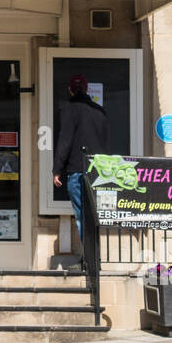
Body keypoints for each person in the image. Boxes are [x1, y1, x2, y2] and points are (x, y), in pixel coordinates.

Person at [52, 74, 109, 261]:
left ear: (70, 90)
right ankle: (93, 257)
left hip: (77, 170)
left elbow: (65, 141)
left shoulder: (70, 109)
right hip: (98, 171)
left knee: (83, 217)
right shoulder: (100, 111)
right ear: (86, 90)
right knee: (94, 216)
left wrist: (57, 169)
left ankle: (91, 259)